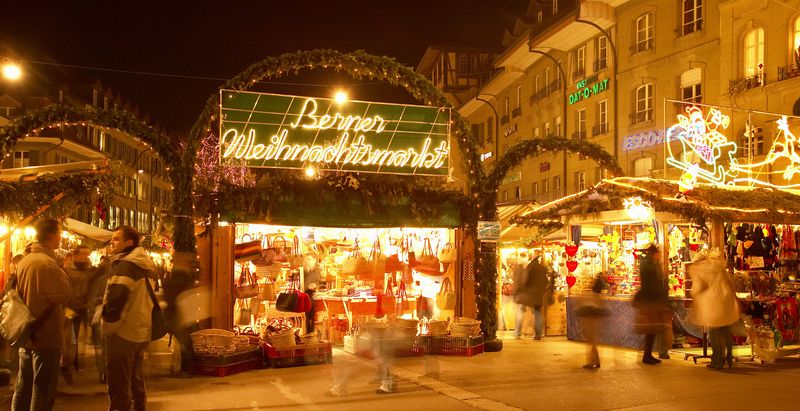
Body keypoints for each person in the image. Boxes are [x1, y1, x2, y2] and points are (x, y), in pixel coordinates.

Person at [12, 219, 72, 411]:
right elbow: (64, 293)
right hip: (46, 334)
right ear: (51, 235)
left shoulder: (25, 261)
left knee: (23, 384)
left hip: (27, 331)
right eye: (60, 233)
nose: (61, 237)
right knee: (43, 388)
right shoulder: (47, 263)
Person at [102, 226, 156, 411]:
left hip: (123, 332)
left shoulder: (125, 266)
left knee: (119, 381)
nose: (112, 242)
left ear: (129, 243)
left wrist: (108, 327)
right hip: (140, 329)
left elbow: (116, 301)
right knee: (135, 377)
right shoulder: (144, 265)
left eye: (117, 239)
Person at [688, 249, 740, 369]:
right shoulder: (718, 266)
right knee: (725, 329)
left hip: (712, 302)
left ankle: (717, 360)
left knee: (714, 332)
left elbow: (699, 286)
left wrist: (693, 293)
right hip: (726, 299)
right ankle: (729, 356)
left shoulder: (697, 269)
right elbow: (730, 282)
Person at [61, 245, 96, 381]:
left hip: (83, 307)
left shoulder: (90, 271)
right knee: (70, 338)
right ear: (75, 255)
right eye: (83, 254)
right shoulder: (68, 271)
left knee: (82, 337)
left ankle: (76, 362)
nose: (86, 257)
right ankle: (67, 365)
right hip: (70, 307)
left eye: (87, 254)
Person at [633, 245, 670, 365]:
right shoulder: (649, 266)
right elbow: (652, 284)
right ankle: (647, 355)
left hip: (651, 300)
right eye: (658, 253)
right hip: (650, 301)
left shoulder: (650, 265)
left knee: (652, 329)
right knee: (651, 329)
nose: (659, 256)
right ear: (654, 254)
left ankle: (648, 354)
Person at [576, 276, 609, 369]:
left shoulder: (589, 296)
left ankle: (592, 362)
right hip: (598, 321)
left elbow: (580, 302)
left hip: (590, 320)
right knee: (593, 341)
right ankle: (596, 360)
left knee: (591, 341)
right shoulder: (600, 297)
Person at [513, 252, 548, 340]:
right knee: (537, 312)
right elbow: (546, 281)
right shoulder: (543, 268)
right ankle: (538, 334)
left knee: (520, 310)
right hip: (539, 294)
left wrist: (522, 287)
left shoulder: (530, 266)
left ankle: (517, 333)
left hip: (528, 293)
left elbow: (525, 280)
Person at [88, 255, 111, 383]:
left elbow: (91, 300)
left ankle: (102, 372)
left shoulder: (97, 281)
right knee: (105, 347)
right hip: (106, 317)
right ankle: (105, 372)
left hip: (98, 317)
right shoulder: (108, 280)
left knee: (100, 347)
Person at [302, 252, 321, 334]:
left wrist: (314, 285)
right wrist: (307, 286)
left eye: (309, 260)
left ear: (314, 260)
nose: (307, 261)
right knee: (306, 315)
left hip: (312, 295)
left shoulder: (316, 270)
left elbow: (318, 281)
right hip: (305, 294)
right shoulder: (303, 270)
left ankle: (310, 332)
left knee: (311, 315)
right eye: (306, 260)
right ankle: (306, 331)